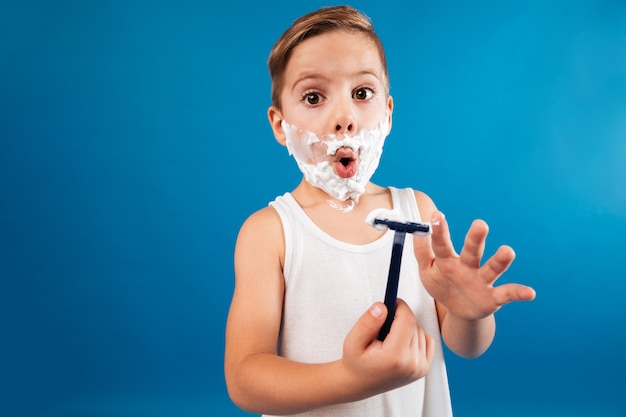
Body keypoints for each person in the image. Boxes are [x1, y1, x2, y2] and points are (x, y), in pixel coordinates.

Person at [224, 5, 536, 417]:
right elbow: (246, 380)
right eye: (314, 97)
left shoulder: (418, 211)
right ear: (281, 125)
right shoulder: (271, 232)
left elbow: (466, 346)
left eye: (361, 93)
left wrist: (469, 315)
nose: (344, 119)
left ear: (387, 114)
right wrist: (351, 379)